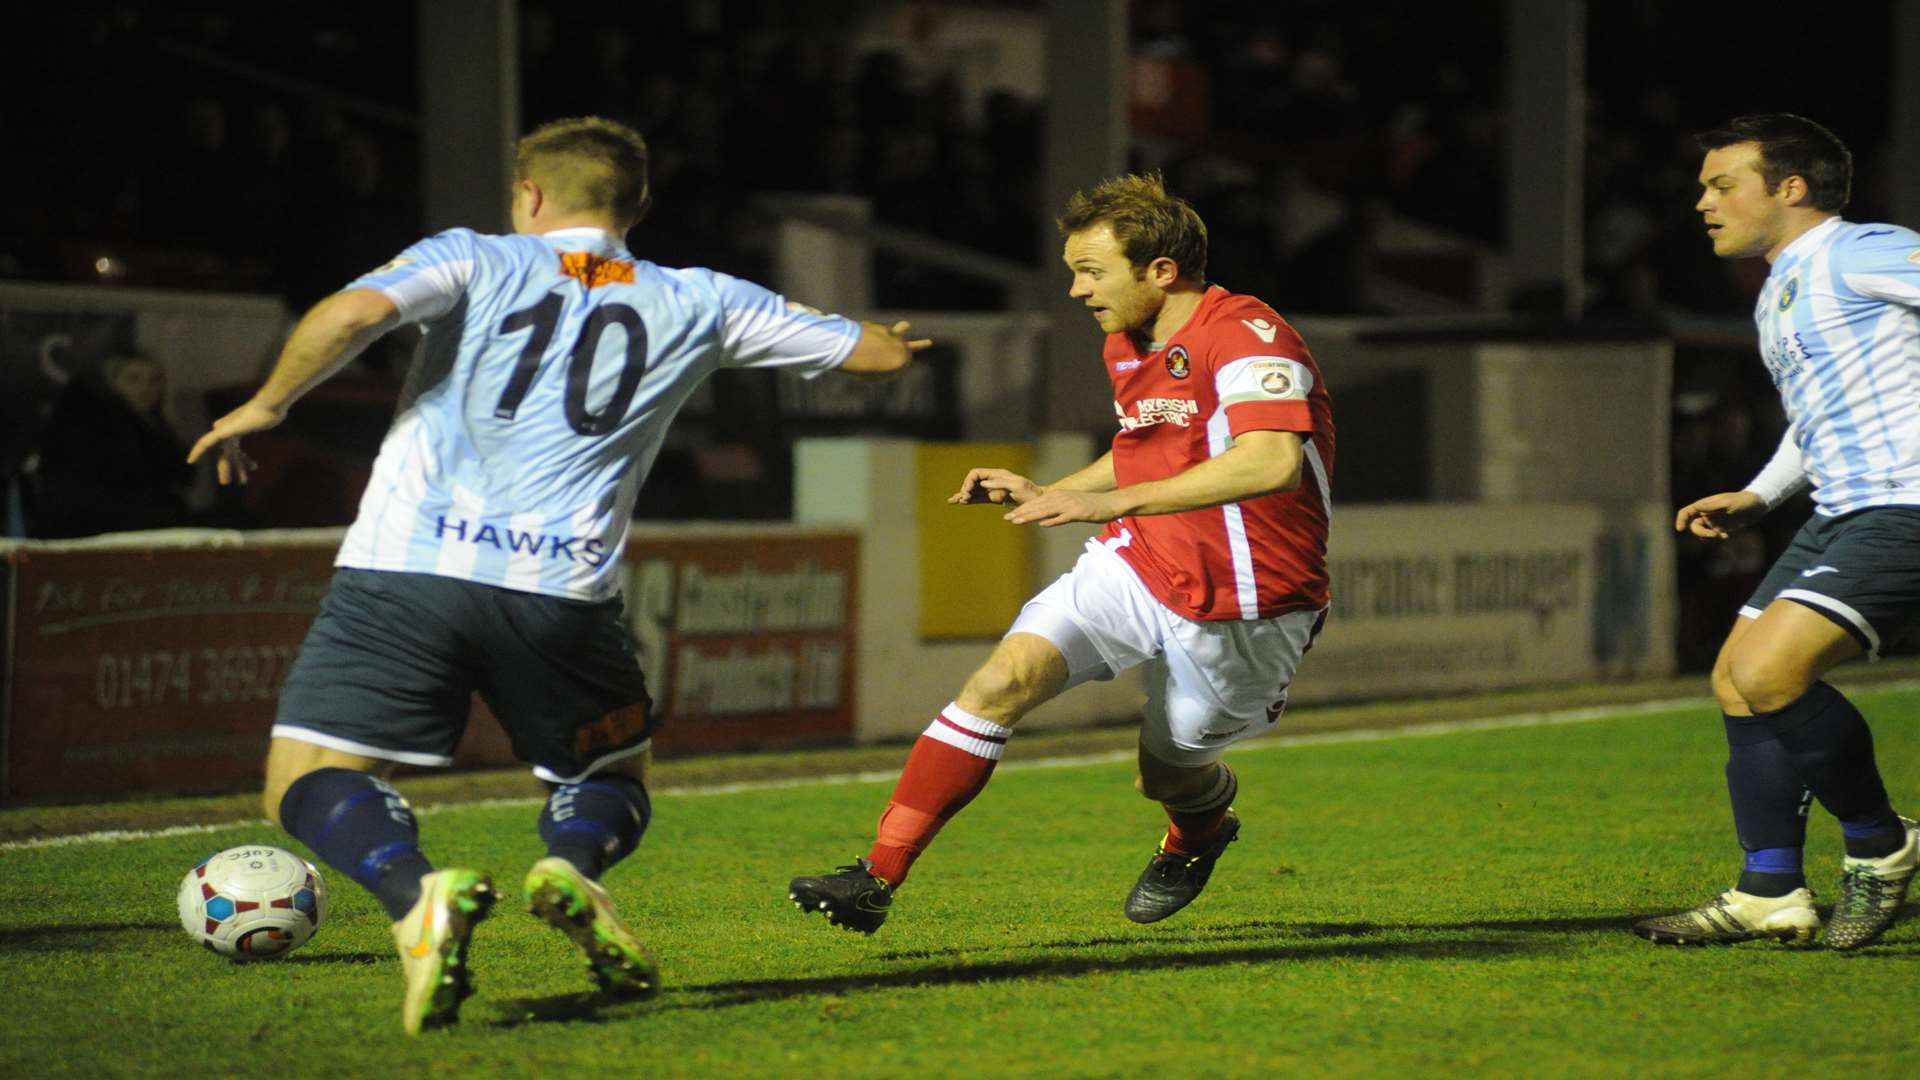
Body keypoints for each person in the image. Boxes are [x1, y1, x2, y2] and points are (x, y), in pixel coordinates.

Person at [188, 116, 929, 1033]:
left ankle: (412, 891)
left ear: (529, 195)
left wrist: (266, 406)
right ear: (638, 206)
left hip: (406, 569)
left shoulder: (472, 257)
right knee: (612, 767)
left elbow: (350, 314)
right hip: (561, 589)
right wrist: (886, 338)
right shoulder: (699, 297)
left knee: (302, 776)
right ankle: (570, 866)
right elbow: (876, 354)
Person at [788, 173, 1335, 933]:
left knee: (1168, 772)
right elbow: (1145, 446)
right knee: (1000, 680)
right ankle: (874, 876)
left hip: (1250, 598)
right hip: (1137, 559)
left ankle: (1200, 830)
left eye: (1091, 271)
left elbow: (1269, 460)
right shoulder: (1125, 341)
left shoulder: (1248, 336)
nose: (1076, 291)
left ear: (1161, 272)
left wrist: (1105, 502)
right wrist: (1055, 490)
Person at [1633, 114, 1920, 949]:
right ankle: (1769, 890)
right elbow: (1818, 413)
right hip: (1840, 506)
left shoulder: (1857, 250)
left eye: (1723, 185)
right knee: (1735, 679)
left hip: (1905, 501)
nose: (1703, 203)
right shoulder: (1786, 285)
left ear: (1791, 189)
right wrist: (1759, 495)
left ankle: (1881, 841)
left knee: (1772, 670)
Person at [31, 351, 194, 538]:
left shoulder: (149, 426)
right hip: (101, 530)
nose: (146, 388)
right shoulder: (101, 425)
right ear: (112, 382)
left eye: (155, 380)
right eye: (134, 379)